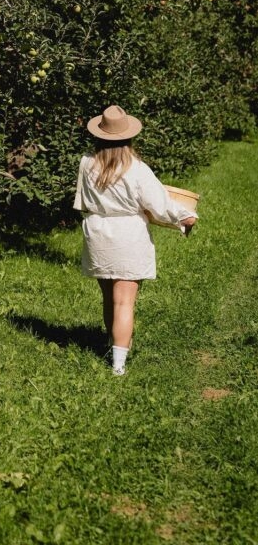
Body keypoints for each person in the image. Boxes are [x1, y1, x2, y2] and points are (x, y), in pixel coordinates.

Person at [73, 105, 198, 376]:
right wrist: (184, 217)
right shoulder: (137, 169)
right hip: (127, 235)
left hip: (97, 232)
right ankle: (118, 365)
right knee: (124, 302)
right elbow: (160, 203)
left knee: (109, 298)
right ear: (129, 137)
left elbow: (82, 201)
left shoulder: (86, 162)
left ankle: (111, 343)